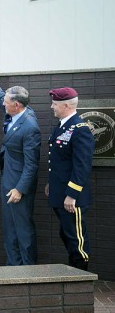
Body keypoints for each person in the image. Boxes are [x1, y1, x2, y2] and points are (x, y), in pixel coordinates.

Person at [0, 69, 41, 265]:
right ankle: (13, 267)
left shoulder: (30, 128)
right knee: (10, 229)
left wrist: (20, 190)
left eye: (6, 102)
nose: (2, 103)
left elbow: (32, 164)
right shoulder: (17, 112)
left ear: (17, 105)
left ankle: (28, 271)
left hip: (18, 187)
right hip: (8, 180)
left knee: (22, 229)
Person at [45, 87, 94, 271]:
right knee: (66, 234)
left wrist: (72, 194)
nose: (52, 107)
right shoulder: (62, 126)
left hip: (72, 198)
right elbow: (60, 161)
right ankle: (74, 273)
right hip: (60, 193)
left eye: (55, 104)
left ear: (66, 105)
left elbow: (81, 166)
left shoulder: (80, 129)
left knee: (76, 239)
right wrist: (52, 183)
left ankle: (81, 275)